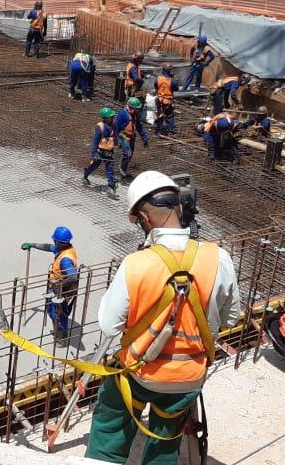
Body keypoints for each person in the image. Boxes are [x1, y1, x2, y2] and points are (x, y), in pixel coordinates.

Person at [87, 172, 240, 464]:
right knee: (165, 443)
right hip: (188, 377)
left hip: (139, 373)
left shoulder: (136, 264)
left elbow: (109, 324)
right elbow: (231, 317)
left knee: (110, 428)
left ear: (144, 218)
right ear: (180, 209)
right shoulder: (218, 257)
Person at [22, 227, 79, 340]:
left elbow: (73, 277)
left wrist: (59, 283)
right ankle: (59, 331)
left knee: (59, 314)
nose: (53, 242)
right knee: (52, 311)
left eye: (55, 240)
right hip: (57, 288)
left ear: (60, 242)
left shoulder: (65, 259)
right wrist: (32, 245)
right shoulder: (64, 248)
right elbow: (48, 247)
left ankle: (61, 338)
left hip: (63, 291)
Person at [83, 108, 119, 194]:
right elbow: (95, 141)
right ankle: (85, 175)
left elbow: (115, 136)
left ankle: (111, 186)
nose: (113, 117)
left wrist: (117, 143)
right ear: (105, 118)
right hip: (100, 151)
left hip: (109, 151)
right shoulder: (99, 126)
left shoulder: (113, 125)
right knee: (94, 166)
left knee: (110, 169)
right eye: (111, 116)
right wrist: (94, 153)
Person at [116, 98, 149, 178]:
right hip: (124, 137)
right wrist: (117, 140)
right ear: (130, 107)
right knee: (127, 154)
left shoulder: (135, 114)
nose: (137, 110)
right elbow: (116, 128)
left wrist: (145, 137)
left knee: (130, 155)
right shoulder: (122, 114)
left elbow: (139, 126)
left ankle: (123, 169)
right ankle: (122, 170)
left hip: (132, 138)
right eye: (135, 108)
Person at [154, 65, 179, 135]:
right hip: (168, 100)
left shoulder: (158, 78)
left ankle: (159, 129)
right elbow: (176, 88)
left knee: (159, 114)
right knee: (169, 116)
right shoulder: (173, 80)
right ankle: (170, 131)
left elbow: (156, 86)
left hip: (159, 99)